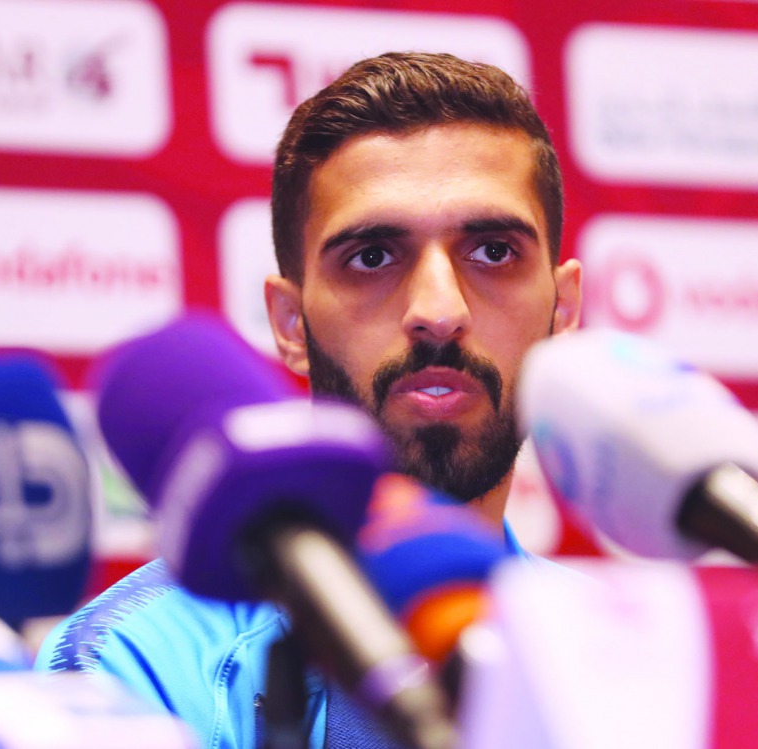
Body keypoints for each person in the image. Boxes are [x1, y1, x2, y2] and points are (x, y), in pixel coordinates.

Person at [36, 52, 582, 749]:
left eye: (494, 252)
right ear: (291, 324)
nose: (440, 310)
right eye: (374, 257)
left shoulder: (613, 654)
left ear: (563, 310)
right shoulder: (133, 667)